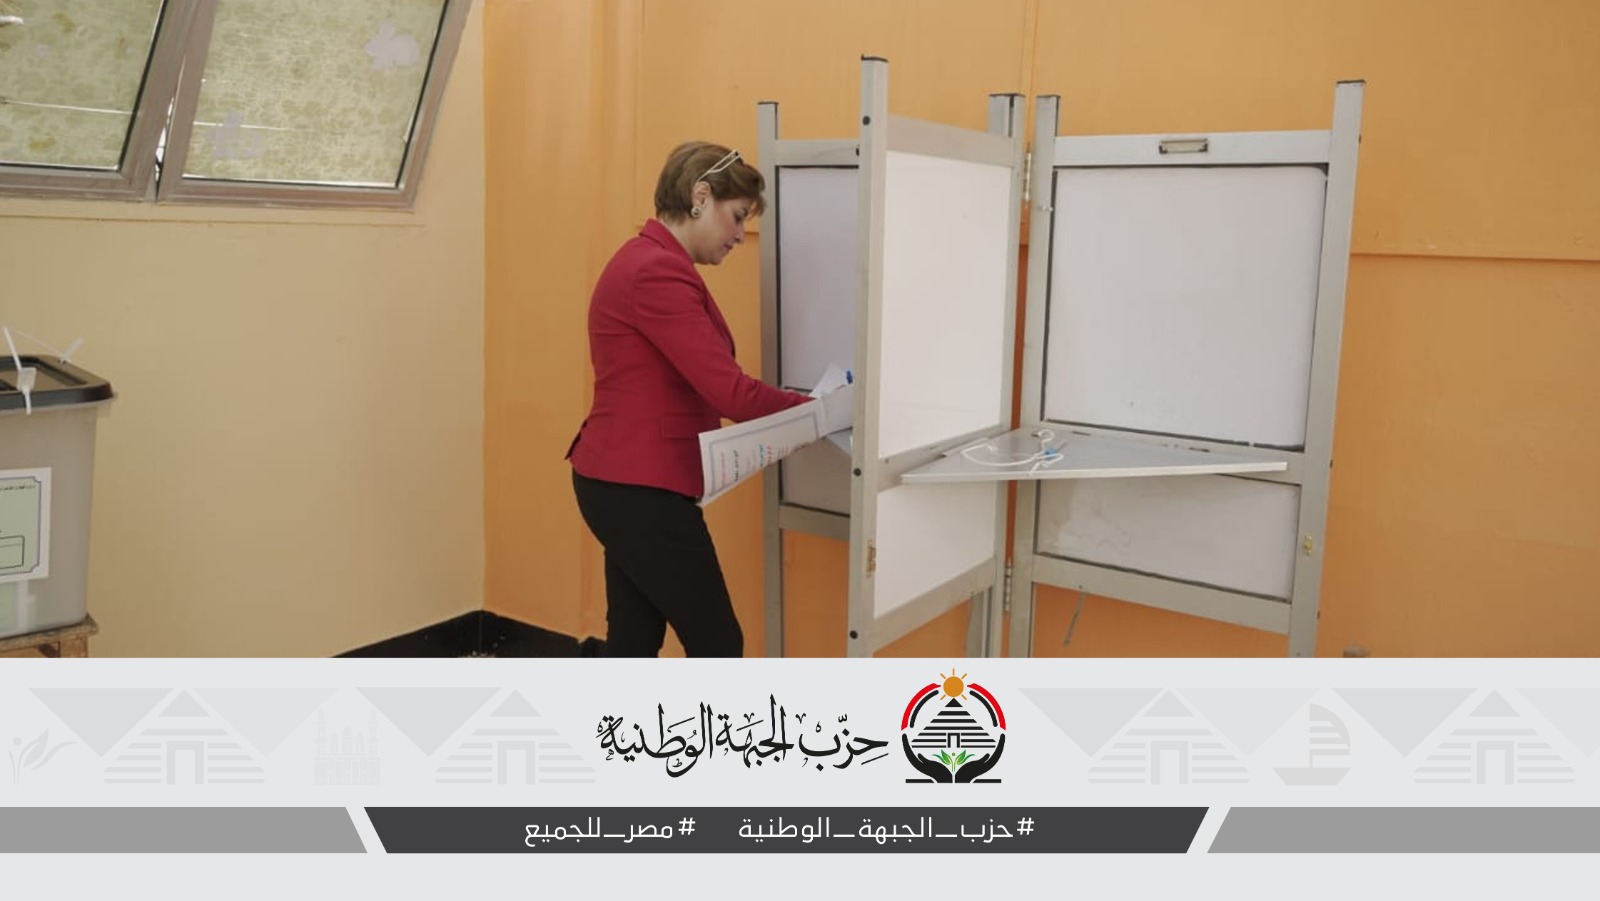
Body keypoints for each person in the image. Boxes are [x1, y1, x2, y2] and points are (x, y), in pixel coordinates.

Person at [566, 141, 811, 658]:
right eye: (737, 217)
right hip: (637, 486)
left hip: (620, 480)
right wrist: (820, 411)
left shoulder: (650, 261)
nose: (740, 235)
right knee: (717, 642)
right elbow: (730, 393)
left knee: (634, 638)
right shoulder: (656, 271)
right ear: (700, 197)